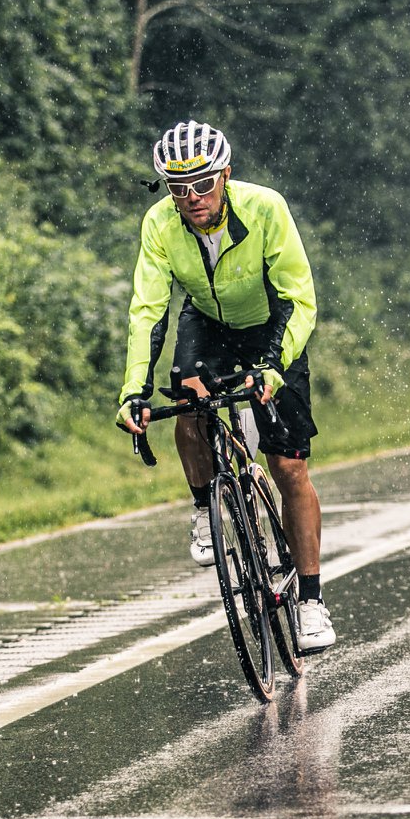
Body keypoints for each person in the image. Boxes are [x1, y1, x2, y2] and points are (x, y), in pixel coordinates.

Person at [116, 121, 335, 652]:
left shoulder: (265, 208)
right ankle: (204, 506)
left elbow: (298, 297)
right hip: (208, 323)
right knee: (186, 397)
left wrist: (272, 366)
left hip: (271, 323)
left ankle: (310, 601)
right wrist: (133, 390)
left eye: (203, 184)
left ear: (225, 176)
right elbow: (148, 310)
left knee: (289, 467)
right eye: (178, 188)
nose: (192, 197)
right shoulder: (159, 223)